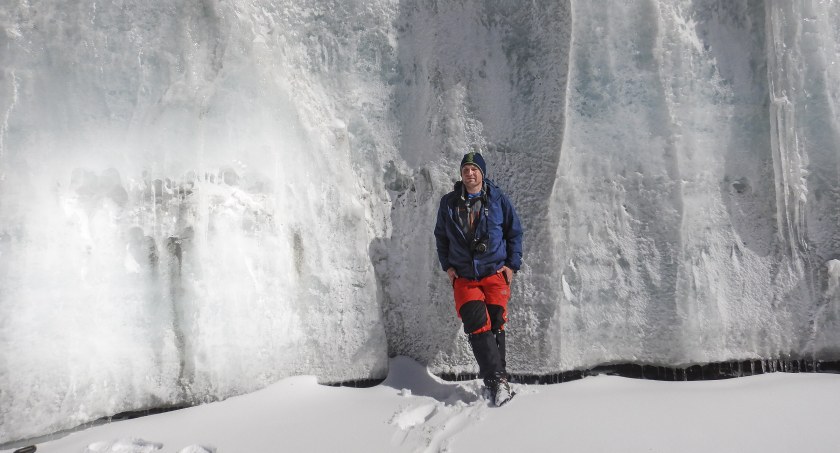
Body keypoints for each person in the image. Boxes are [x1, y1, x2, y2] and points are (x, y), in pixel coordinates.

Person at [434, 151, 523, 406]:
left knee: (496, 324)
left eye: (474, 169)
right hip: (464, 276)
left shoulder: (497, 199)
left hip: (495, 272)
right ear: (461, 174)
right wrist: (448, 267)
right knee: (477, 324)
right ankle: (497, 383)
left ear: (482, 173)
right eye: (465, 170)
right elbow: (441, 237)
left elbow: (514, 233)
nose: (470, 173)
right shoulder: (449, 203)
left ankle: (499, 381)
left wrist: (511, 266)